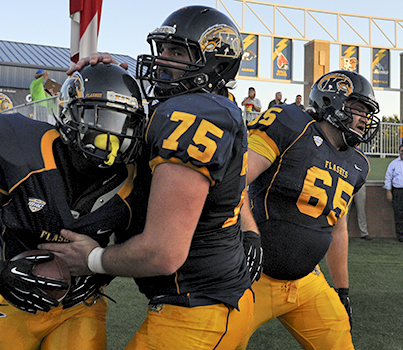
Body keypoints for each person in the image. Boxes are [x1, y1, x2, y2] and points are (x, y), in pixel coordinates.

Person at [43, 6, 256, 349]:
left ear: (215, 64)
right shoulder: (213, 106)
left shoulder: (192, 114)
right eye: (163, 50)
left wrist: (92, 260)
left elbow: (163, 253)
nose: (162, 61)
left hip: (197, 310)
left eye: (177, 52)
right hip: (204, 303)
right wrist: (109, 81)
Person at [0, 63, 147, 349]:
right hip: (15, 299)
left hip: (80, 305)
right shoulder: (26, 154)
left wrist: (101, 267)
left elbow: (136, 248)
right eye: (98, 118)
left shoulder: (135, 180)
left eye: (122, 123)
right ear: (69, 112)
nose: (110, 136)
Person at [238, 69, 380, 349]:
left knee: (339, 342)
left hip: (306, 281)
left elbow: (338, 229)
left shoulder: (357, 164)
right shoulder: (291, 124)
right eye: (358, 109)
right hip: (253, 275)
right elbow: (234, 181)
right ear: (332, 102)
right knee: (216, 342)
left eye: (367, 112)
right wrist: (248, 231)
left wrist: (342, 290)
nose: (365, 119)